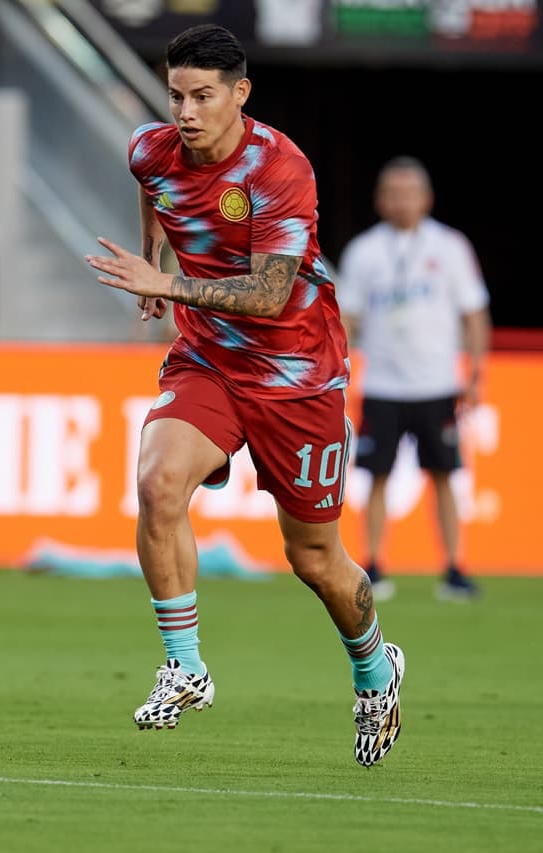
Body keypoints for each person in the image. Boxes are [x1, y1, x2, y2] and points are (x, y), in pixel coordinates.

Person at [84, 23, 404, 767]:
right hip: (209, 360)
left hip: (298, 376)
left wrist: (166, 281)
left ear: (240, 93)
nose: (186, 112)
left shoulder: (279, 168)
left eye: (203, 96)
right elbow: (154, 191)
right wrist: (156, 253)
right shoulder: (150, 150)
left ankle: (375, 669)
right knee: (158, 482)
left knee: (316, 559)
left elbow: (268, 293)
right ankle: (186, 666)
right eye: (176, 96)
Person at [336, 156, 491, 603]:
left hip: (437, 383)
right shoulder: (364, 251)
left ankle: (455, 566)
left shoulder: (450, 247)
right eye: (393, 192)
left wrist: (475, 372)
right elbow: (347, 317)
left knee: (444, 473)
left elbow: (474, 311)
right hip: (383, 382)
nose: (402, 201)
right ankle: (374, 564)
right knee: (375, 475)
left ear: (427, 198)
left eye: (411, 192)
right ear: (380, 199)